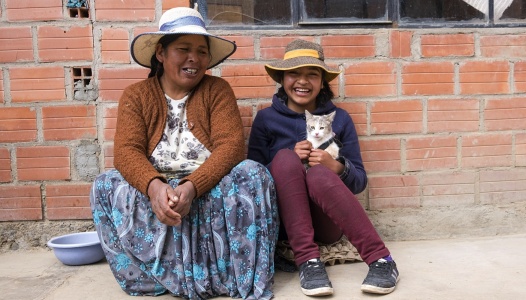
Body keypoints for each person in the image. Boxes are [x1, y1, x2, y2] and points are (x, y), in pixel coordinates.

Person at [89, 7, 279, 300]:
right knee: (104, 184)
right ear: (161, 53)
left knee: (254, 173)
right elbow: (126, 152)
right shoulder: (136, 96)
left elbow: (230, 147)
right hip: (160, 187)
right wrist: (155, 187)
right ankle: (150, 278)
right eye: (183, 49)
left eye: (202, 51)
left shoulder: (217, 90)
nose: (195, 58)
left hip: (205, 186)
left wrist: (192, 187)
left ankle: (232, 274)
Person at [247, 39, 399, 297]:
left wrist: (336, 167)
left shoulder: (340, 119)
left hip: (326, 225)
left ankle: (382, 260)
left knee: (318, 173)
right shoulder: (266, 119)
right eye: (294, 73)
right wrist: (287, 162)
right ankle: (308, 261)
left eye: (312, 74)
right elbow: (251, 179)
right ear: (283, 78)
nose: (302, 81)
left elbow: (359, 181)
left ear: (322, 81)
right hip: (282, 222)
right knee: (285, 158)